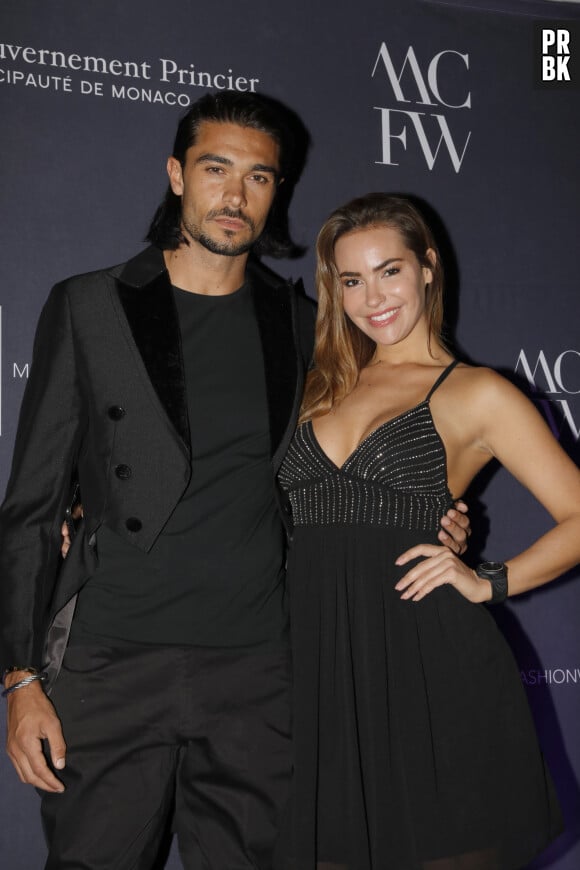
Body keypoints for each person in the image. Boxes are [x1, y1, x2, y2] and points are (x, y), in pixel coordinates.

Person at [0, 99, 469, 869]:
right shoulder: (90, 305)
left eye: (258, 177)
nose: (235, 195)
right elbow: (29, 507)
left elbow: (351, 465)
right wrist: (20, 679)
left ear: (276, 191)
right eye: (216, 169)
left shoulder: (304, 326)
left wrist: (433, 517)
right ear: (178, 175)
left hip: (259, 670)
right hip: (112, 663)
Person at [276, 193, 580, 870]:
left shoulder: (478, 393)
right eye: (351, 280)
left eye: (390, 270)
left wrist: (488, 581)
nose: (372, 297)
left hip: (427, 669)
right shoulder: (316, 385)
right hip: (319, 672)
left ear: (428, 268)